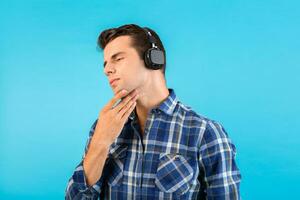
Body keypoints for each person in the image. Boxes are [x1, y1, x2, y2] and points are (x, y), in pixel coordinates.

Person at [65, 24, 241, 200]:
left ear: (153, 59)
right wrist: (100, 143)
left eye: (117, 59)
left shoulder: (205, 133)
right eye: (105, 64)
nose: (106, 70)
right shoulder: (103, 127)